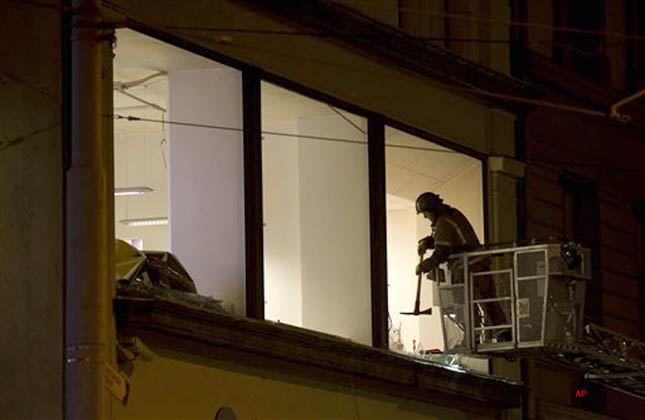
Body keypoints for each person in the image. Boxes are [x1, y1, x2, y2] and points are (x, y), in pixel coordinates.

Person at [414, 192, 509, 339]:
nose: (425, 217)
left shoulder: (443, 222)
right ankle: (501, 331)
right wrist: (427, 242)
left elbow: (443, 251)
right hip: (478, 263)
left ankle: (472, 335)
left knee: (463, 302)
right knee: (487, 300)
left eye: (425, 213)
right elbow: (450, 240)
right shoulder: (451, 215)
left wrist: (424, 265)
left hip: (467, 267)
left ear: (432, 210)